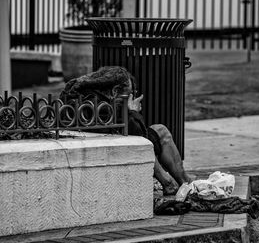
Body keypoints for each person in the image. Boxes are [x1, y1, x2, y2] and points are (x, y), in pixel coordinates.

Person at [60, 66, 191, 194]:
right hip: (109, 148)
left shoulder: (82, 95)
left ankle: (180, 181)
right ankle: (178, 182)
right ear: (115, 91)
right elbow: (139, 138)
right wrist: (133, 112)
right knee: (161, 132)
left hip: (94, 143)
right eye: (129, 94)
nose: (130, 98)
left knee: (158, 130)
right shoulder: (100, 106)